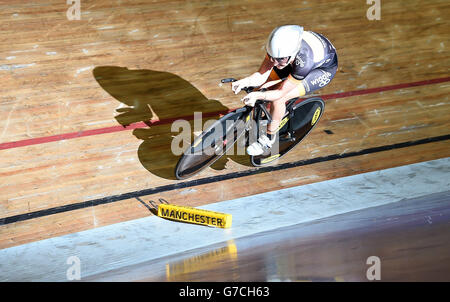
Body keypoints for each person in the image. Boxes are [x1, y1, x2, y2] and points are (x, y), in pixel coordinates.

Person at [232, 25, 338, 156]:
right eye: (272, 57)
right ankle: (264, 118)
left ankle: (269, 138)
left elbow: (281, 92)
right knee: (263, 87)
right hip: (296, 58)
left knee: (279, 99)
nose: (274, 63)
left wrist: (259, 95)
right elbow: (261, 75)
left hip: (320, 70)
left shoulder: (304, 62)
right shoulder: (277, 51)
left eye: (279, 59)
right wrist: (245, 81)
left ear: (292, 54)